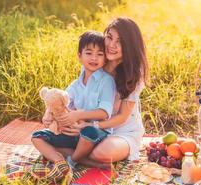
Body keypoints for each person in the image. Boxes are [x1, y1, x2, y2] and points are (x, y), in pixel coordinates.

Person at [58, 17, 149, 167]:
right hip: (90, 127)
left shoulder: (134, 73)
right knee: (48, 135)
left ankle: (78, 156)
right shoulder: (96, 59)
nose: (112, 45)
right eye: (109, 37)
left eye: (119, 41)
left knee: (101, 153)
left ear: (129, 45)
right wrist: (62, 114)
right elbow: (78, 91)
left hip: (121, 132)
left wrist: (91, 126)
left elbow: (122, 117)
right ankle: (82, 156)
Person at [30, 31, 116, 179]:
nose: (94, 58)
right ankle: (61, 161)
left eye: (100, 54)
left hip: (95, 134)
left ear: (105, 58)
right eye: (89, 53)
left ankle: (73, 160)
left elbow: (104, 113)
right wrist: (48, 113)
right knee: (37, 137)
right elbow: (60, 100)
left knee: (89, 132)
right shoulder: (76, 84)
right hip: (73, 132)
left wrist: (79, 116)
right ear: (79, 55)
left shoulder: (106, 81)